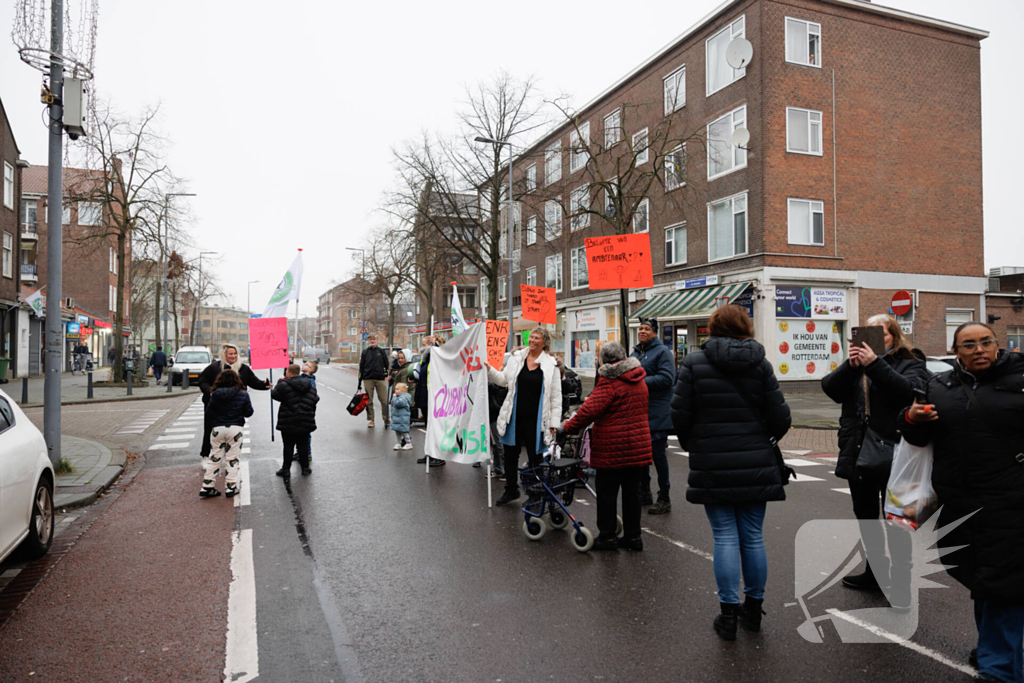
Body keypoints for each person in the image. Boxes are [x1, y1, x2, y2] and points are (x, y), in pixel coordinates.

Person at [902, 322, 1024, 683]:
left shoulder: (1021, 378)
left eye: (986, 342)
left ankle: (999, 669)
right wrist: (911, 417)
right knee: (979, 578)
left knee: (1005, 584)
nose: (979, 349)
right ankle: (992, 649)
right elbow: (915, 432)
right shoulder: (941, 386)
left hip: (1012, 502)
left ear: (998, 344)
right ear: (956, 351)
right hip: (960, 505)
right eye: (968, 345)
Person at [671, 305, 792, 641]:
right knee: (752, 536)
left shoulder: (694, 363)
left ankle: (727, 616)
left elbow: (679, 414)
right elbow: (782, 418)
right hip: (755, 463)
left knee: (724, 536)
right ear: (745, 327)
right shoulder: (761, 363)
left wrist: (697, 443)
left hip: (713, 462)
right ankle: (753, 612)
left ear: (713, 328)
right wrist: (761, 440)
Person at [821, 314, 929, 597]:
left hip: (897, 453)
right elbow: (831, 389)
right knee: (866, 516)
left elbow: (908, 392)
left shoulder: (911, 362)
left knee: (896, 520)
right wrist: (851, 365)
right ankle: (876, 574)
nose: (873, 339)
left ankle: (901, 582)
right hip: (858, 450)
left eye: (881, 333)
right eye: (866, 333)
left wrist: (875, 364)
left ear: (894, 335)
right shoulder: (857, 367)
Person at [562, 342, 652, 551]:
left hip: (613, 446)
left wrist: (566, 428)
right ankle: (633, 537)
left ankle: (608, 537)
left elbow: (588, 412)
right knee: (632, 493)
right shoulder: (639, 378)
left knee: (607, 493)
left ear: (604, 360)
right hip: (637, 445)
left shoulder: (610, 381)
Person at [487, 327, 562, 507]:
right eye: (532, 337)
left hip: (536, 420)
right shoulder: (517, 358)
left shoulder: (551, 365)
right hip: (514, 416)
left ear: (544, 343)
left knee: (535, 457)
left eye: (537, 338)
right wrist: (488, 369)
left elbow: (556, 396)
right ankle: (511, 489)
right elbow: (503, 380)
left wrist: (554, 422)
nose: (533, 340)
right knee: (510, 454)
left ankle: (535, 492)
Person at [632, 317, 676, 514]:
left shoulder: (663, 352)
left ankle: (664, 497)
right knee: (641, 456)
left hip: (657, 413)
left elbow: (667, 378)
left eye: (646, 329)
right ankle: (644, 492)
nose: (642, 331)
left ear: (655, 332)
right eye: (640, 328)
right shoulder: (635, 352)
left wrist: (639, 380)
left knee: (658, 456)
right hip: (640, 412)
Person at [198, 344, 270, 460]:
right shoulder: (214, 367)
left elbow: (254, 382)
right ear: (224, 354)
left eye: (235, 353)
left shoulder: (243, 368)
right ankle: (206, 455)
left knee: (234, 433)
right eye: (230, 354)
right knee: (209, 430)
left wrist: (264, 385)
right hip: (215, 405)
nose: (233, 356)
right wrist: (210, 392)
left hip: (235, 407)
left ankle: (231, 458)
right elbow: (202, 381)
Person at [201, 368, 254, 499]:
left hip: (218, 428)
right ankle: (230, 487)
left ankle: (207, 486)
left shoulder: (215, 394)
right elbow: (249, 412)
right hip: (235, 428)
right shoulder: (243, 394)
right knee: (232, 458)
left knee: (215, 457)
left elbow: (209, 413)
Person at [272, 363, 319, 477]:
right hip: (305, 420)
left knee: (288, 445)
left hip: (288, 420)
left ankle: (286, 469)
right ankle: (305, 468)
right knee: (302, 445)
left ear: (288, 373)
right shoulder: (310, 386)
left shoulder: (284, 385)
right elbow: (316, 399)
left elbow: (274, 395)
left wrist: (279, 382)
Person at [358, 333, 390, 428]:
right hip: (368, 379)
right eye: (370, 339)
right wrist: (359, 381)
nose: (372, 341)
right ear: (368, 341)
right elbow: (361, 367)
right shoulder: (365, 352)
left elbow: (386, 364)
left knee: (384, 400)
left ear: (377, 340)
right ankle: (371, 420)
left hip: (380, 379)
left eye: (374, 339)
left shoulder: (381, 351)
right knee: (369, 401)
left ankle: (386, 418)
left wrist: (386, 373)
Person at [301, 360, 318, 460]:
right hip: (300, 408)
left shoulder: (311, 381)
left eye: (306, 365)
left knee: (306, 432)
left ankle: (307, 453)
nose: (303, 365)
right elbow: (289, 375)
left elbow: (311, 395)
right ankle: (300, 451)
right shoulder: (301, 377)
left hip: (306, 410)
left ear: (310, 370)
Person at [390, 382, 413, 451]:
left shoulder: (403, 397)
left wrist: (394, 398)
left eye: (397, 389)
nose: (395, 391)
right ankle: (398, 443)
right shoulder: (399, 397)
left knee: (404, 431)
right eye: (395, 389)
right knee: (397, 431)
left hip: (402, 418)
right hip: (397, 418)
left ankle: (408, 443)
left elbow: (398, 404)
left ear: (402, 390)